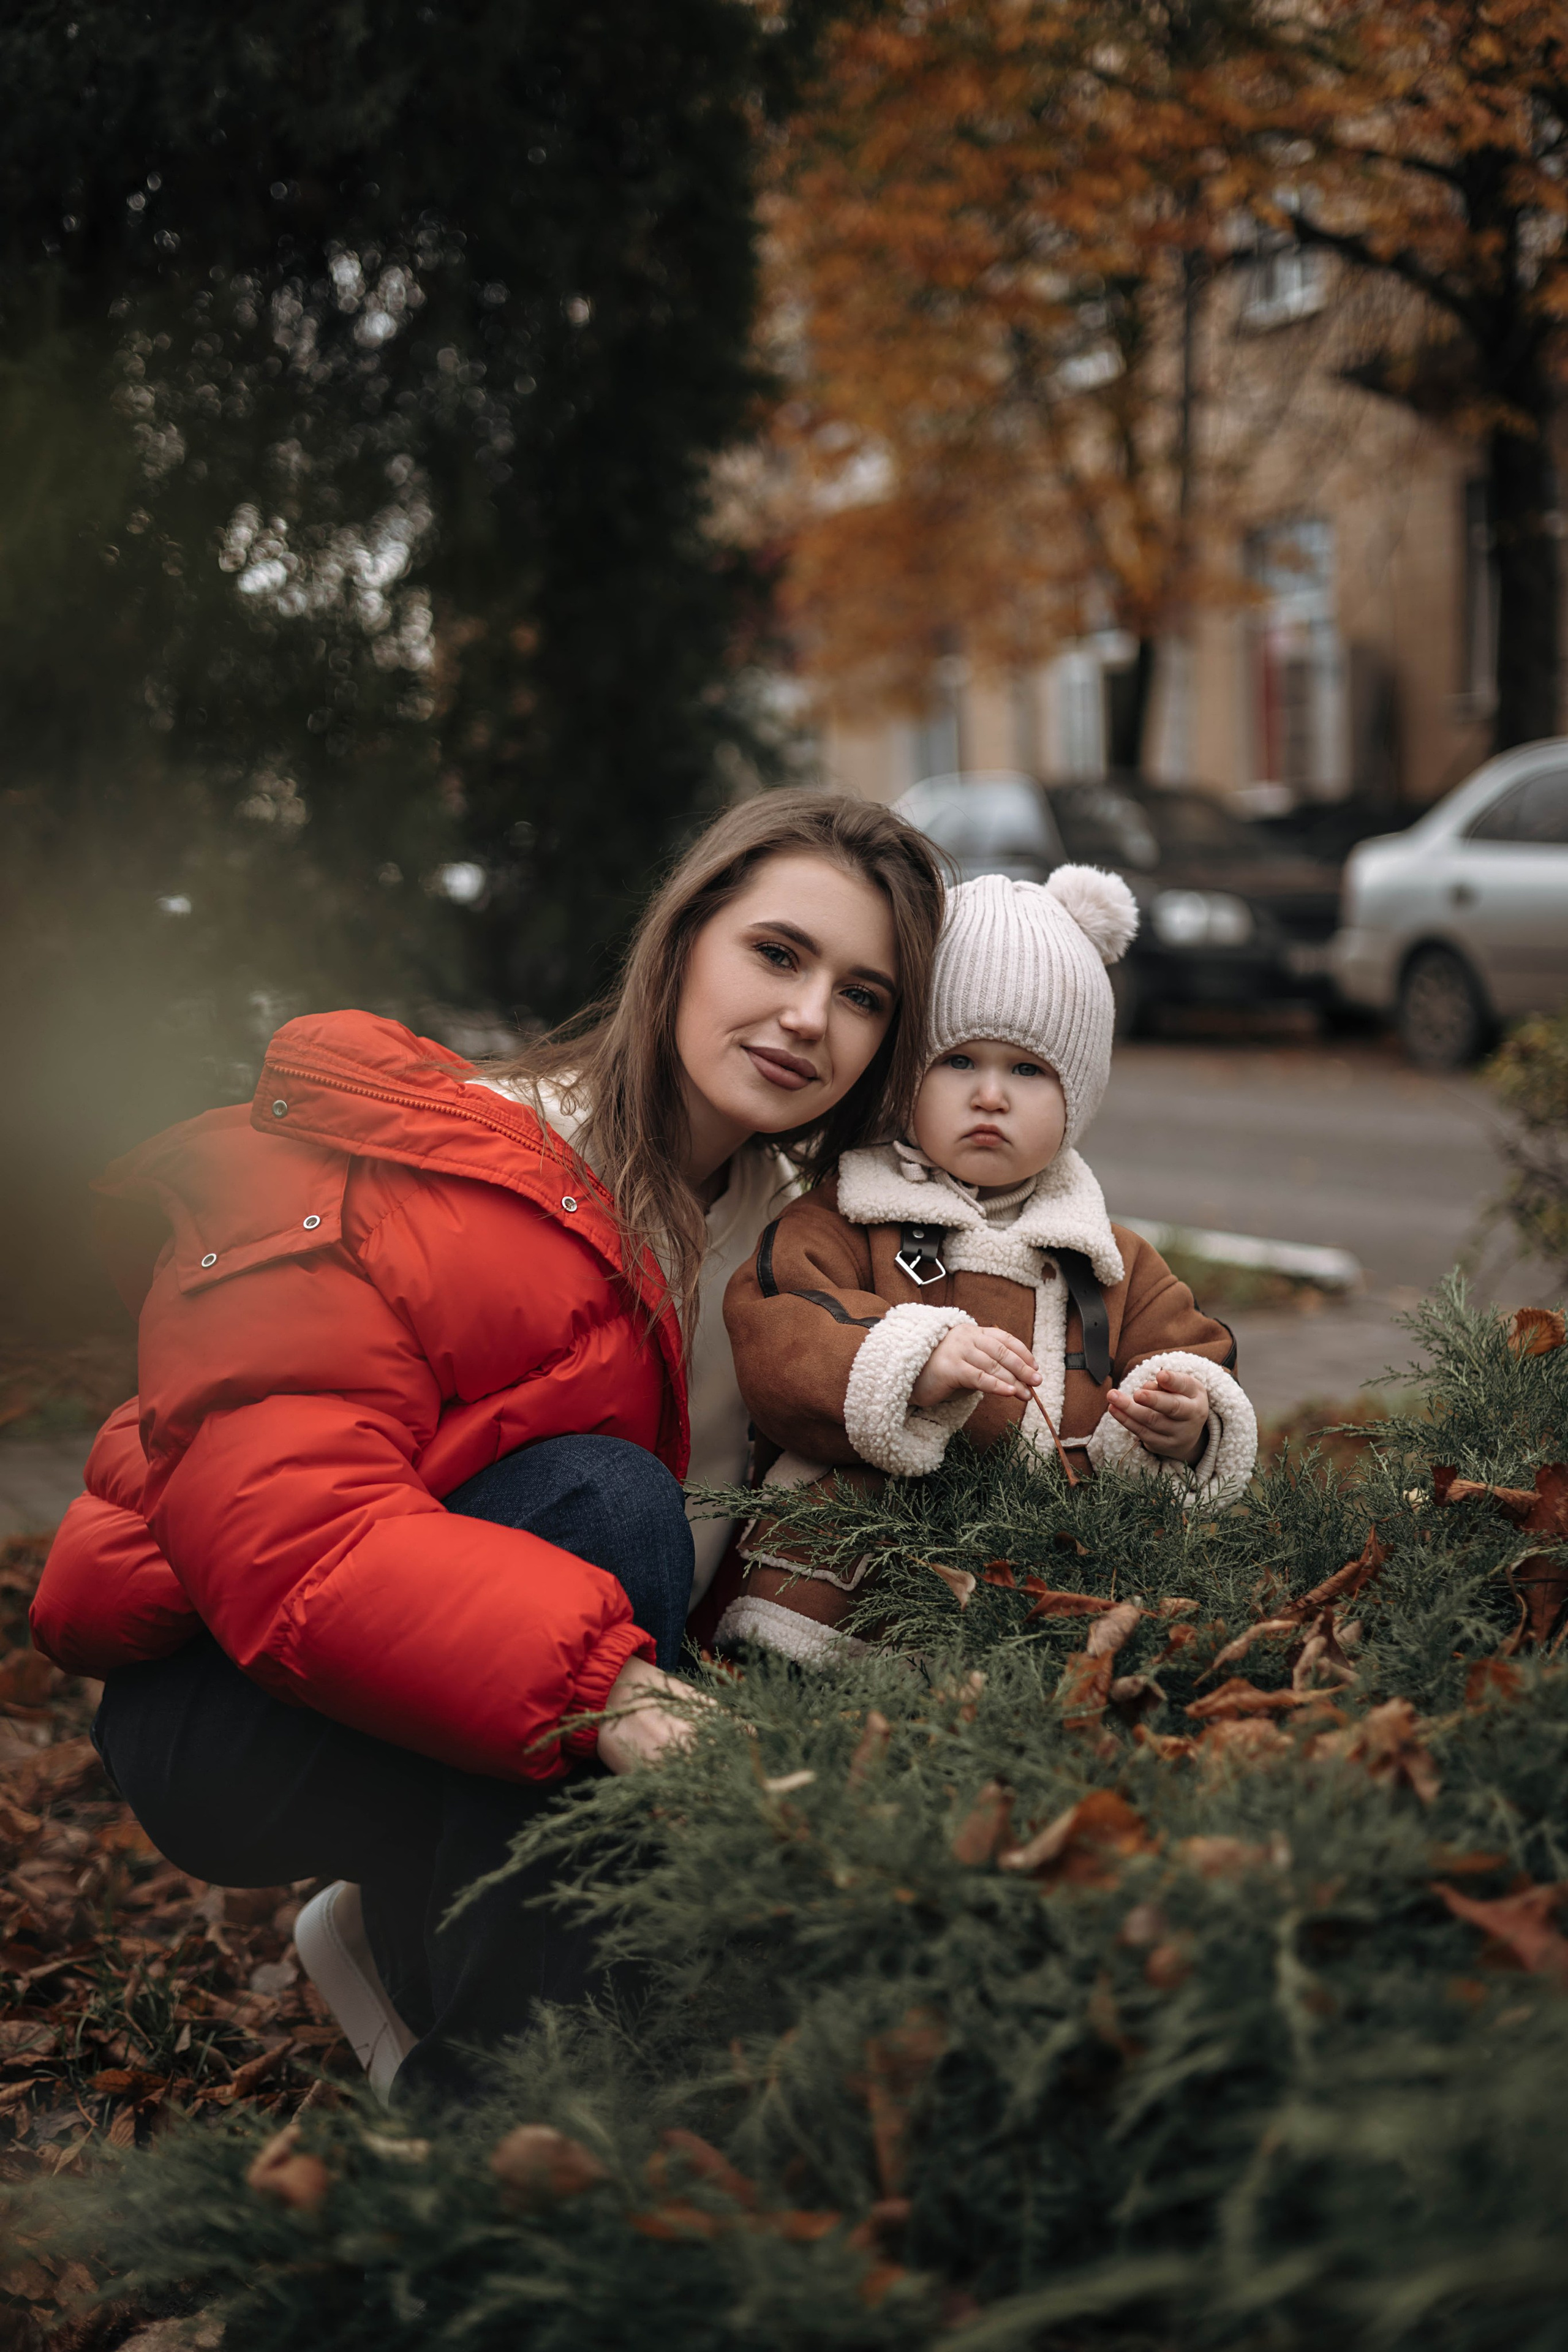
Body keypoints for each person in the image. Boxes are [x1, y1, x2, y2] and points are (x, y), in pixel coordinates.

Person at [28, 790, 945, 2102]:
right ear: (681, 944)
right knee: (603, 1498)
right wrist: (612, 1695)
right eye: (777, 954)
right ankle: (505, 2145)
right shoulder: (421, 1166)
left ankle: (435, 1977)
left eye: (862, 995)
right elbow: (299, 1538)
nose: (809, 1017)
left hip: (522, 1694)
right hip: (229, 1704)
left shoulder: (796, 1251)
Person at [715, 866, 1257, 1664]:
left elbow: (1196, 1352)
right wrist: (908, 1359)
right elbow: (779, 1330)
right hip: (848, 1599)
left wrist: (1189, 1419)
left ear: (1078, 1098)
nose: (991, 1096)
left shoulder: (1108, 1259)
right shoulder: (846, 1218)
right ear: (906, 1077)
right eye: (959, 1061)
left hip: (1046, 1594)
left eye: (1028, 1070)